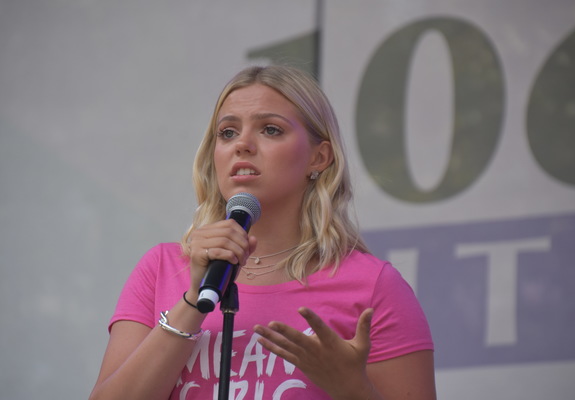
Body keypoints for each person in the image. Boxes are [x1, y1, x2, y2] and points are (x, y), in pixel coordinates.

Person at [89, 65, 436, 400]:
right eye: (227, 133)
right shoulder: (161, 269)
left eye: (270, 129)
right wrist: (194, 301)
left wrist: (352, 389)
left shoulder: (374, 286)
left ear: (319, 157)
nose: (242, 144)